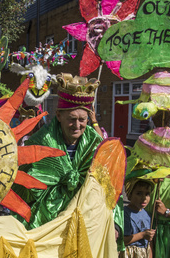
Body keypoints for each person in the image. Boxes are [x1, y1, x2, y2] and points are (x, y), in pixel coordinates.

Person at [14, 73, 103, 229]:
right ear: (59, 116)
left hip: (85, 219)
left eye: (82, 119)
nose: (77, 125)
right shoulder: (41, 142)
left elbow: (107, 186)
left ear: (88, 119)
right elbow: (23, 186)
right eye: (71, 119)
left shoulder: (95, 143)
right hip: (47, 220)